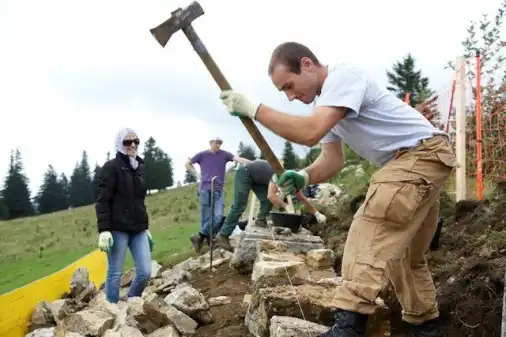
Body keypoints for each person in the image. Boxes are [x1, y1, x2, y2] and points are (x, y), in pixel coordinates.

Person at [218, 42, 457, 337]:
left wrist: (254, 109)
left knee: (369, 230)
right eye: (284, 92)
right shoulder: (330, 106)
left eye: (289, 86)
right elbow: (332, 160)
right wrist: (304, 176)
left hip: (418, 156)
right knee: (404, 254)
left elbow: (309, 132)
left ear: (307, 64)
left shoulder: (344, 78)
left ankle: (348, 328)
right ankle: (426, 327)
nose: (291, 97)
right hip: (426, 161)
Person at [215, 159, 327, 251]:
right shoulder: (280, 177)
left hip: (257, 178)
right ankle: (223, 234)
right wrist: (285, 206)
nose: (294, 192)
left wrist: (317, 213)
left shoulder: (293, 182)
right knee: (240, 205)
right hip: (245, 172)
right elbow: (271, 196)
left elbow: (302, 198)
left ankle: (260, 220)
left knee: (266, 202)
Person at [95, 128, 154, 304]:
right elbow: (102, 201)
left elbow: (139, 201)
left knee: (145, 272)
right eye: (128, 142)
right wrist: (104, 230)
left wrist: (146, 227)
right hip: (117, 228)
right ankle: (112, 309)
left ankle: (132, 303)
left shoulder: (139, 168)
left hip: (138, 229)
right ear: (120, 144)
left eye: (136, 141)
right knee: (115, 273)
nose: (133, 145)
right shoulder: (111, 168)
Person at [185, 136, 250, 254]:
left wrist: (252, 163)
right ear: (210, 143)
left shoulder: (224, 154)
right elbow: (188, 164)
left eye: (220, 143)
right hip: (204, 188)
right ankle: (208, 241)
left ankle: (199, 236)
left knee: (218, 216)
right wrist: (197, 175)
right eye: (216, 143)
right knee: (206, 217)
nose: (218, 145)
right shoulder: (202, 155)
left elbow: (237, 159)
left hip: (218, 189)